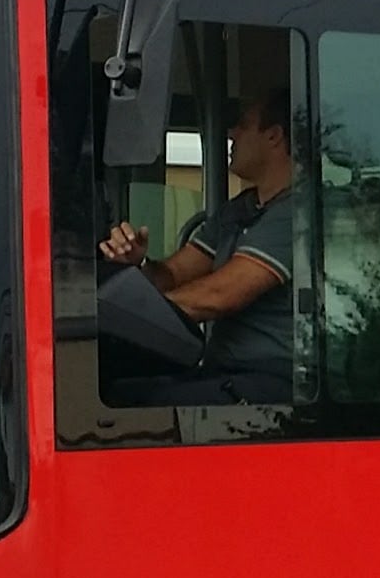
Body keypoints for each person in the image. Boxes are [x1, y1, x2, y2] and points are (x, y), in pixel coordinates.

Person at [100, 88, 298, 400]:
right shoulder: (239, 209)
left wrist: (123, 316)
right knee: (118, 389)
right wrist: (137, 265)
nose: (232, 133)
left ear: (274, 136)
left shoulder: (298, 212)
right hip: (224, 371)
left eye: (244, 125)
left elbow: (218, 295)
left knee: (131, 403)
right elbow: (173, 275)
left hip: (275, 378)